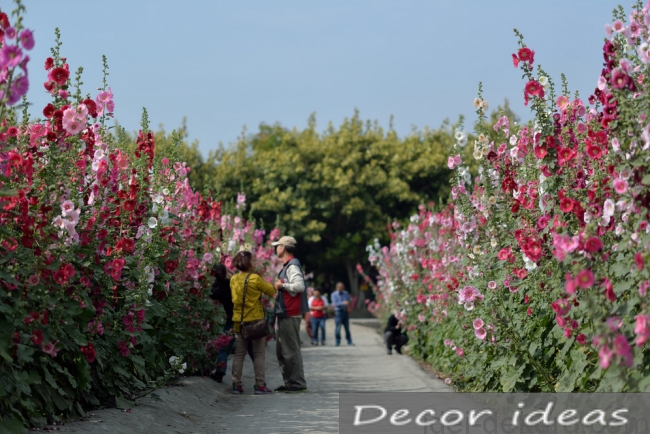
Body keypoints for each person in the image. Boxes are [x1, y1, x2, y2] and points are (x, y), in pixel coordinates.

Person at [230, 251, 276, 395]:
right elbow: (271, 291)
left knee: (239, 355)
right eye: (253, 260)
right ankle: (260, 385)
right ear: (248, 263)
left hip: (239, 321)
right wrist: (261, 276)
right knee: (258, 354)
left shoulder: (233, 279)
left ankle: (236, 385)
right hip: (255, 322)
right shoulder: (255, 279)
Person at [272, 235, 308, 393]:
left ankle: (297, 383)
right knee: (282, 350)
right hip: (285, 312)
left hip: (290, 313)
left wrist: (282, 285)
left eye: (278, 245)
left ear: (284, 247)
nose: (276, 248)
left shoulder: (292, 265)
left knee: (290, 350)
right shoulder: (288, 265)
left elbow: (300, 286)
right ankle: (289, 382)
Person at [209, 263, 254, 383]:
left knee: (224, 348)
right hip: (246, 317)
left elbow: (211, 292)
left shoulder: (218, 289)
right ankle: (260, 378)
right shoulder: (232, 283)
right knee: (251, 348)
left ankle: (219, 373)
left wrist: (218, 278)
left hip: (232, 320)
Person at [331, 282, 354, 346]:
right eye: (340, 287)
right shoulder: (334, 294)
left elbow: (349, 300)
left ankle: (349, 341)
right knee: (338, 328)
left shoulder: (346, 293)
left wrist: (349, 302)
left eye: (342, 287)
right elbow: (334, 304)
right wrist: (343, 303)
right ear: (337, 288)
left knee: (347, 328)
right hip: (338, 312)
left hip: (345, 311)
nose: (341, 289)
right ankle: (337, 341)